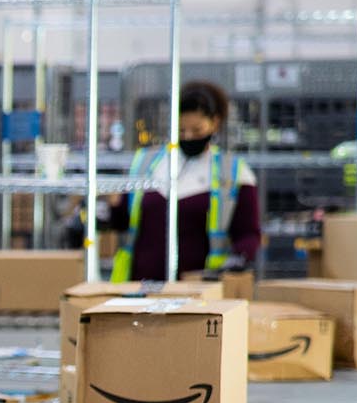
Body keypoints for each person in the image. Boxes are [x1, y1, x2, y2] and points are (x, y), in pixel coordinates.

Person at [108, 80, 261, 282]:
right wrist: (111, 205)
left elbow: (248, 234)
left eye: (197, 130)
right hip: (141, 286)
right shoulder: (146, 162)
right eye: (181, 131)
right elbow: (123, 220)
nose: (188, 137)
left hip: (200, 292)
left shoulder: (234, 172)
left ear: (214, 123)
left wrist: (238, 260)